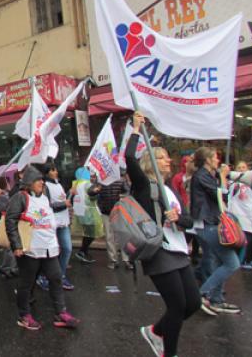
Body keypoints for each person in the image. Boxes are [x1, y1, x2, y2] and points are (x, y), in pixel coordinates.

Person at [126, 112, 201, 357]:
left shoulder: (170, 191)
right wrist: (136, 129)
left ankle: (155, 331)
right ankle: (169, 352)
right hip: (158, 252)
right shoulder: (144, 186)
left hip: (178, 250)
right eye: (162, 158)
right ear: (151, 162)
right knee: (177, 306)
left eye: (168, 158)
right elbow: (128, 157)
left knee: (193, 304)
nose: (168, 162)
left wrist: (178, 219)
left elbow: (188, 220)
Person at [6, 165, 79, 331]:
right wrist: (16, 245)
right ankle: (24, 315)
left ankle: (61, 312)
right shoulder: (20, 197)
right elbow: (10, 221)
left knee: (56, 278)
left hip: (49, 249)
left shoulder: (45, 197)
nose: (41, 183)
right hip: (30, 249)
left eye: (41, 180)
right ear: (29, 182)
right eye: (38, 180)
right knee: (27, 283)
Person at [190, 146, 240, 315]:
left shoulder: (208, 175)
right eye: (215, 157)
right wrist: (224, 178)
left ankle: (216, 299)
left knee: (219, 262)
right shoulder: (201, 176)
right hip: (207, 224)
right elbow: (220, 196)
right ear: (207, 160)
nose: (218, 160)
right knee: (232, 263)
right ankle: (201, 294)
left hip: (211, 223)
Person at [42, 163, 75, 290]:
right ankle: (46, 276)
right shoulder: (46, 186)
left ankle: (60, 275)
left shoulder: (58, 184)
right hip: (52, 223)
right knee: (51, 252)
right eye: (52, 170)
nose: (55, 171)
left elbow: (61, 199)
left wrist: (69, 193)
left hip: (63, 221)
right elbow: (47, 205)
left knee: (67, 248)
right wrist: (63, 204)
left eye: (55, 169)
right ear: (46, 173)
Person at [95, 174, 132, 270]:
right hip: (106, 211)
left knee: (123, 235)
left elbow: (128, 191)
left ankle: (126, 259)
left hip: (119, 211)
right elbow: (90, 191)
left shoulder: (120, 180)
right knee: (109, 236)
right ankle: (113, 260)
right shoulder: (100, 181)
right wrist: (95, 190)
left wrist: (122, 196)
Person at [228, 161, 252, 269]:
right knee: (246, 241)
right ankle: (243, 261)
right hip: (242, 218)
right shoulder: (235, 185)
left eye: (244, 167)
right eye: (239, 167)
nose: (241, 169)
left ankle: (249, 259)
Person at [170, 155, 200, 264]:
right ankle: (181, 253)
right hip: (183, 206)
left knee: (195, 232)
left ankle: (195, 254)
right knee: (186, 232)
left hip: (194, 207)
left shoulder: (197, 176)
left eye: (190, 161)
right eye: (186, 161)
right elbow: (175, 191)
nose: (188, 163)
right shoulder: (178, 177)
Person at [71, 168, 103, 263]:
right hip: (90, 213)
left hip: (79, 212)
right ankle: (82, 251)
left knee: (88, 234)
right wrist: (97, 190)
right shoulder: (87, 184)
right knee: (92, 234)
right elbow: (92, 195)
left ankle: (83, 251)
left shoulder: (75, 184)